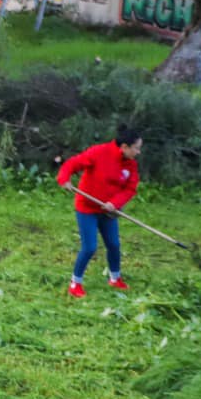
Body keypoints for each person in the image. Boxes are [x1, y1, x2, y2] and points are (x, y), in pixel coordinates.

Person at [56, 125, 142, 298]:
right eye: (136, 148)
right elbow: (73, 164)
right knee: (89, 247)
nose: (138, 152)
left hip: (108, 211)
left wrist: (114, 203)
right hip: (87, 208)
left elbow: (130, 189)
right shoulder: (99, 153)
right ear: (125, 146)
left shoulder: (130, 165)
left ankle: (115, 278)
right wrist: (64, 178)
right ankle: (75, 283)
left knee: (114, 245)